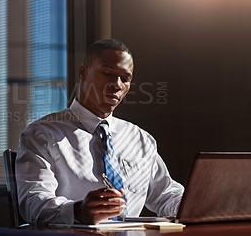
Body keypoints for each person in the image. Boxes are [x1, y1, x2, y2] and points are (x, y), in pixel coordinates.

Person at [15, 39, 184, 225]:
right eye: (108, 73)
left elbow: (166, 195)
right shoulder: (42, 135)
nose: (117, 85)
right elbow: (33, 203)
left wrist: (199, 205)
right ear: (83, 72)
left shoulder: (140, 139)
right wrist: (77, 211)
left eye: (125, 79)